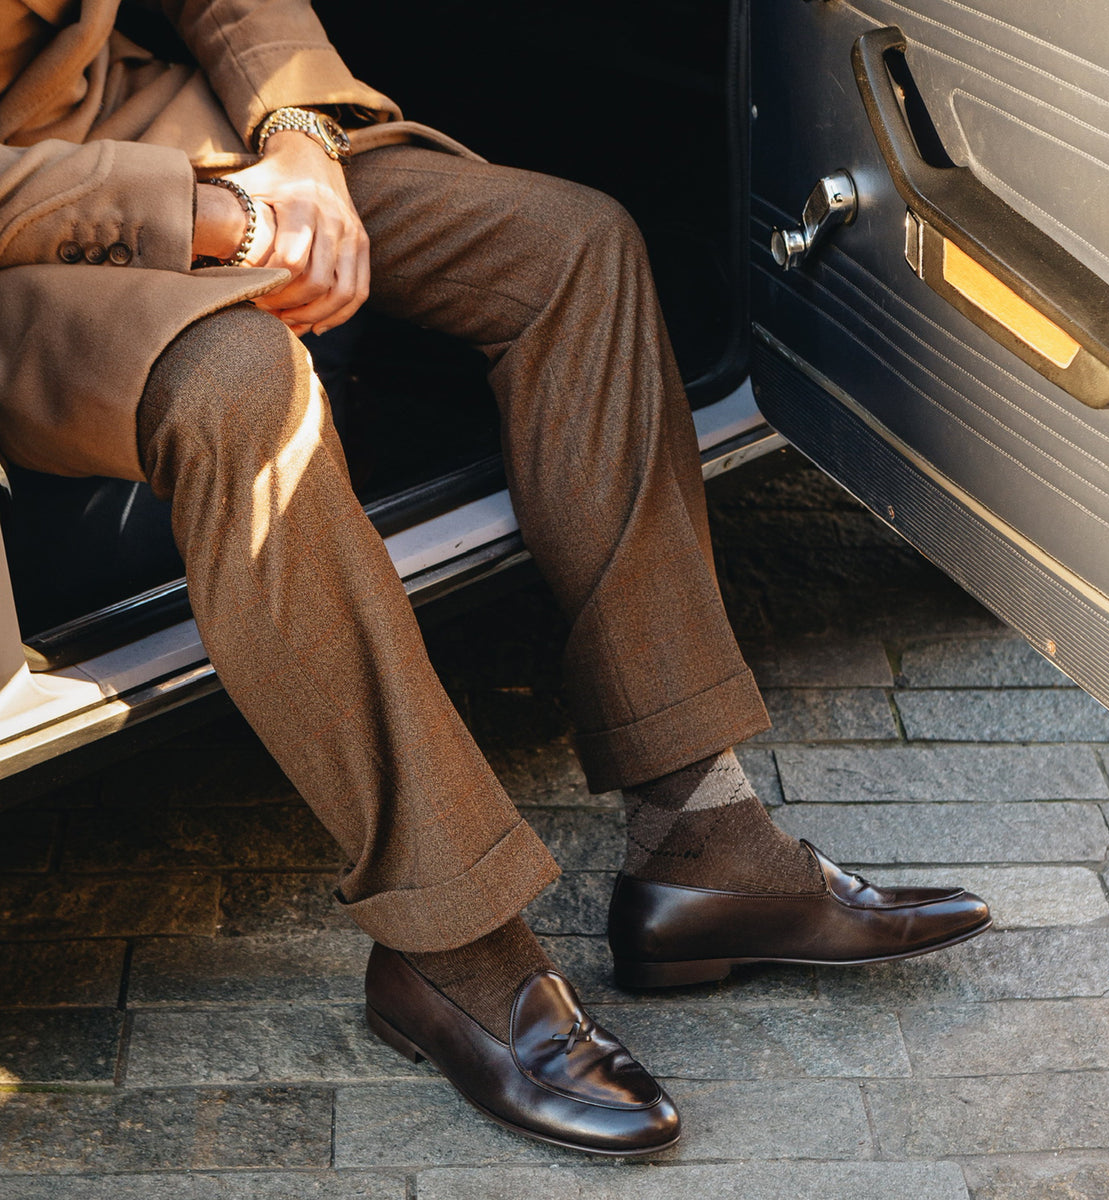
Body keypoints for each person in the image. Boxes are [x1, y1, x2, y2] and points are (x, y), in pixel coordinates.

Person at [0, 0, 990, 1156]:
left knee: (570, 246)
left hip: (160, 129)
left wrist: (301, 142)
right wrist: (211, 218)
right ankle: (453, 948)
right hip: (28, 245)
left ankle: (700, 843)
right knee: (239, 385)